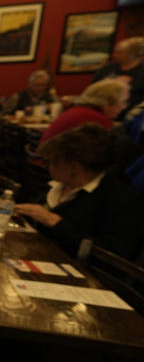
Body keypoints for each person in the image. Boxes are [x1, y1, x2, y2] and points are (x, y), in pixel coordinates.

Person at [15, 123, 144, 259]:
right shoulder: (61, 185)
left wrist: (55, 222)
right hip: (41, 255)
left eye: (52, 163)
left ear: (74, 167)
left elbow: (112, 253)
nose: (48, 168)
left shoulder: (119, 199)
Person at [39, 78, 129, 144]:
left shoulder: (79, 110)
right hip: (55, 166)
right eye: (123, 102)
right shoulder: (97, 120)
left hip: (44, 163)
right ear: (108, 101)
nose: (124, 107)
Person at [91, 36, 144, 114]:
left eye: (119, 53)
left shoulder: (141, 73)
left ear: (134, 55)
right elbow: (92, 89)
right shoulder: (107, 68)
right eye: (114, 52)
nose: (114, 55)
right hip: (102, 112)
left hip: (130, 116)